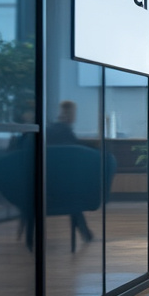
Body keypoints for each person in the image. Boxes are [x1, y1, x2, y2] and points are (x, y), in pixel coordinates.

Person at [49, 100, 94, 244]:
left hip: (49, 178)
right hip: (58, 182)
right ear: (71, 114)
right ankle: (85, 233)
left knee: (72, 196)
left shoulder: (54, 129)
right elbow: (76, 151)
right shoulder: (64, 131)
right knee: (73, 197)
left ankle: (85, 233)